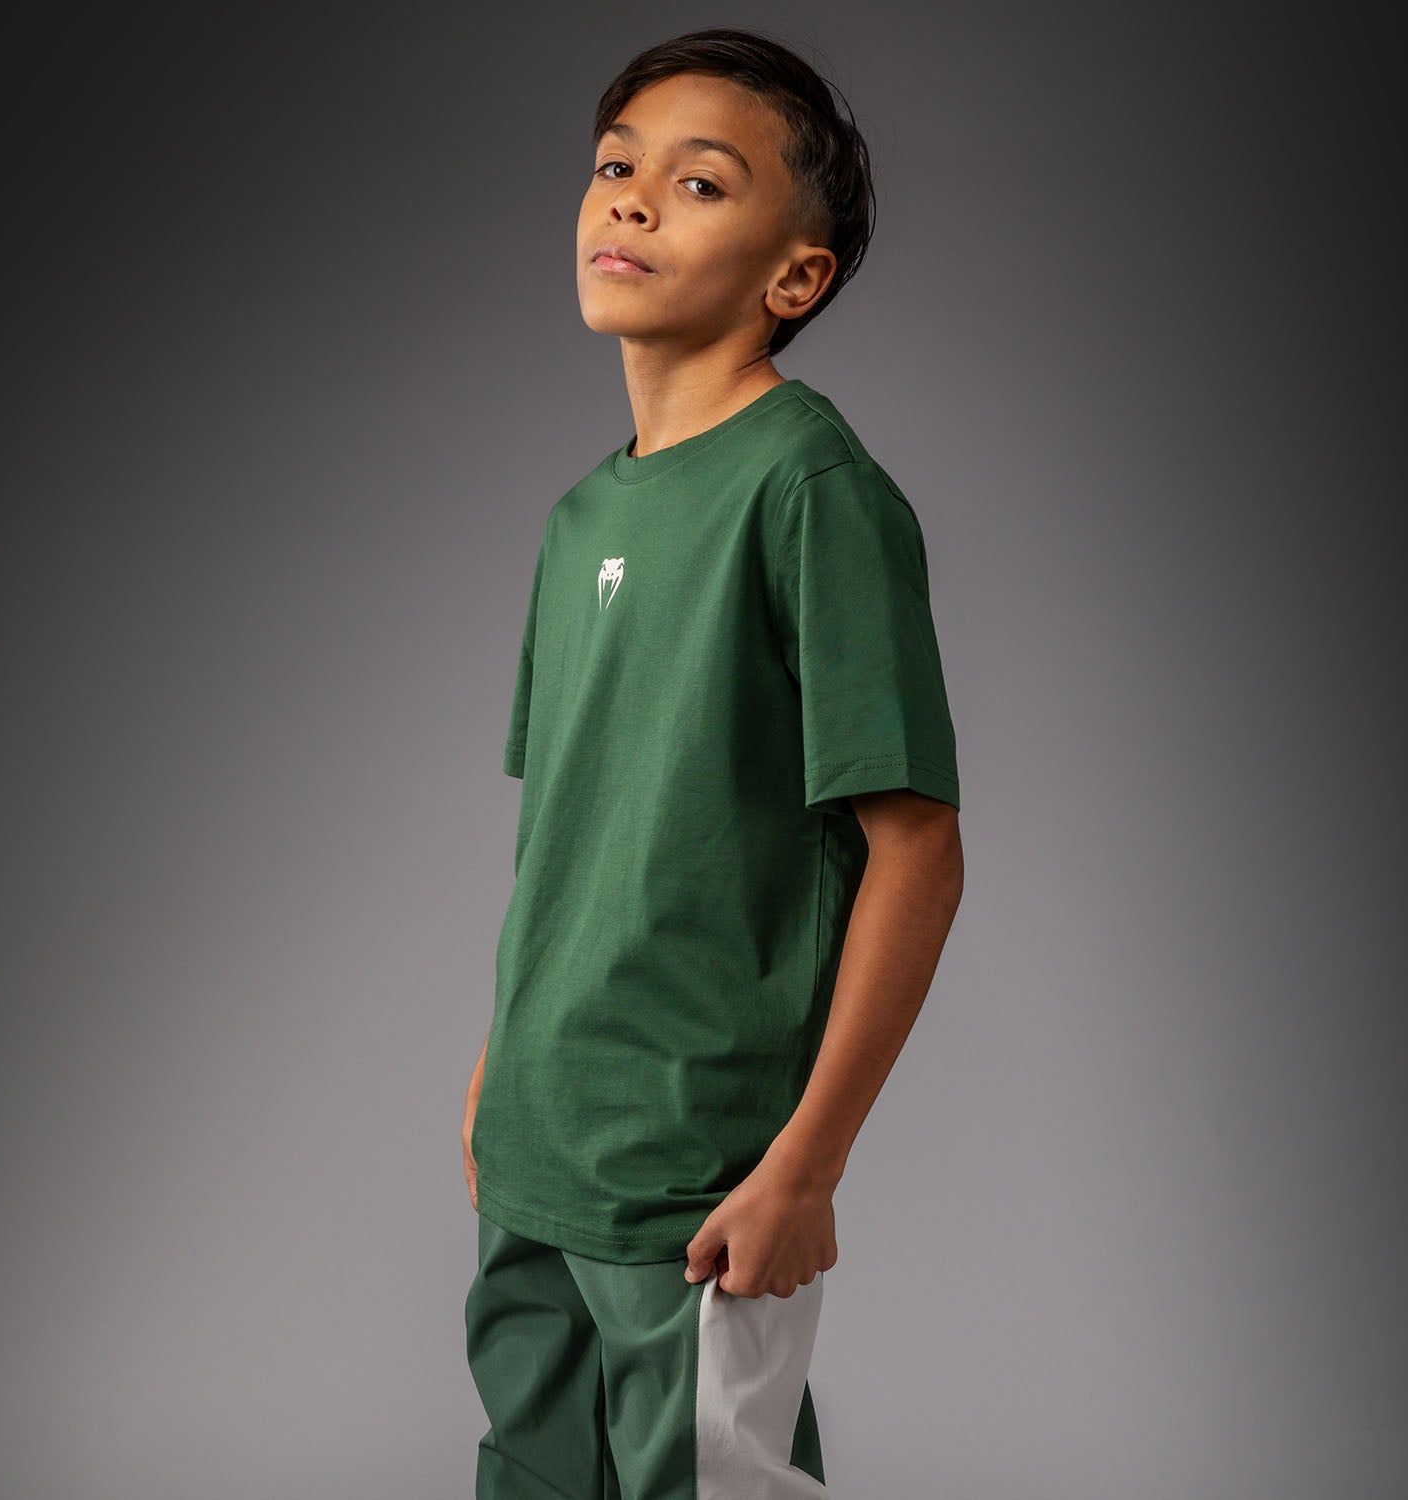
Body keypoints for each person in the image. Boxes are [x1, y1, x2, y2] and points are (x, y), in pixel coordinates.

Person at [461, 26, 965, 1498]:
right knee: (530, 1475)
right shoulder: (576, 520)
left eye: (697, 183)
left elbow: (918, 850)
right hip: (537, 1141)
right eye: (614, 166)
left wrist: (807, 1162)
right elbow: (568, 831)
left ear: (792, 277)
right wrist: (502, 1069)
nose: (628, 198)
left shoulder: (812, 489)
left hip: (699, 1168)